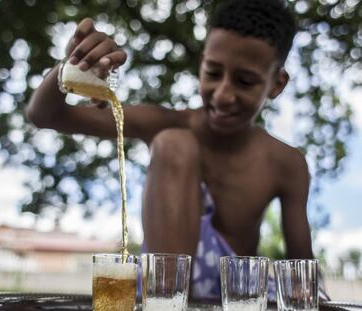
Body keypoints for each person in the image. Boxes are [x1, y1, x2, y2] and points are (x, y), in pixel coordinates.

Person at [27, 0, 322, 300]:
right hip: (163, 290)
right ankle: (166, 301)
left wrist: (307, 295)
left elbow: (303, 271)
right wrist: (73, 68)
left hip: (238, 297)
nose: (222, 95)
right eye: (213, 72)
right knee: (173, 143)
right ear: (201, 64)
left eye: (245, 81)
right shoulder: (166, 123)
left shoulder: (287, 163)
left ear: (277, 84)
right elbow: (44, 115)